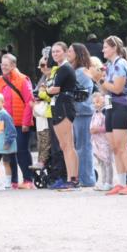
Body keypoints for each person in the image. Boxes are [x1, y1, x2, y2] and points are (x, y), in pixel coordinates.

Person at [97, 35, 127, 195]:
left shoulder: (121, 63)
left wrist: (100, 80)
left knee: (122, 147)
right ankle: (121, 183)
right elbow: (105, 90)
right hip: (110, 107)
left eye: (105, 47)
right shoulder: (110, 65)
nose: (103, 50)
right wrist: (98, 79)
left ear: (114, 48)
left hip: (121, 107)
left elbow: (117, 89)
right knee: (115, 148)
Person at [0, 54, 35, 188]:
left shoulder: (23, 79)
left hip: (19, 123)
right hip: (2, 123)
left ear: (13, 65)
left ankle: (28, 180)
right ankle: (13, 181)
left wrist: (26, 122)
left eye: (6, 65)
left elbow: (29, 101)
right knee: (8, 152)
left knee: (22, 151)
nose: (3, 67)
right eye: (2, 64)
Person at [45, 42, 80, 191]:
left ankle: (72, 179)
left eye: (58, 51)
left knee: (67, 145)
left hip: (64, 106)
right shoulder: (60, 68)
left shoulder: (65, 68)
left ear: (65, 52)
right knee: (65, 145)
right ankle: (72, 178)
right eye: (53, 52)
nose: (55, 54)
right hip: (59, 106)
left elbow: (55, 89)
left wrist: (46, 90)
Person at [68, 43, 95, 187]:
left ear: (78, 54)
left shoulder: (82, 72)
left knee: (83, 147)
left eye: (70, 51)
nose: (68, 53)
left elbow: (80, 93)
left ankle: (87, 179)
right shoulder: (76, 70)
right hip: (77, 113)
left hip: (83, 113)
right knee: (80, 146)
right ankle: (82, 177)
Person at [90, 93, 114, 191]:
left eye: (98, 102)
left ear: (104, 101)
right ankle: (103, 182)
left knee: (107, 162)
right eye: (94, 102)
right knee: (101, 163)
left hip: (105, 141)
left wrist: (98, 129)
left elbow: (108, 126)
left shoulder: (106, 113)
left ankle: (109, 182)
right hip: (96, 142)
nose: (95, 104)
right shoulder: (95, 113)